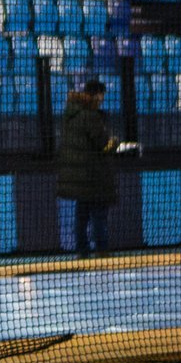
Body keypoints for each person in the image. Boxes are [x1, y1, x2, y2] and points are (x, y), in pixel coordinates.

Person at [56, 78, 118, 258]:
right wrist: (115, 142)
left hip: (77, 176)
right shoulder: (90, 116)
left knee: (81, 216)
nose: (102, 99)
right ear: (97, 95)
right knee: (99, 216)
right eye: (102, 95)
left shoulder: (71, 114)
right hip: (93, 175)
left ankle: (82, 253)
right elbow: (103, 144)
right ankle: (102, 252)